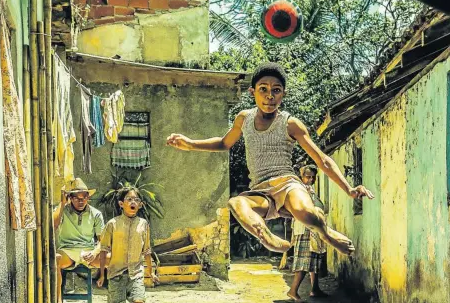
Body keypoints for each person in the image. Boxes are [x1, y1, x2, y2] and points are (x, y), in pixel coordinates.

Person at [166, 62, 374, 256]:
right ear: (252, 92)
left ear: (283, 94)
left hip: (287, 184)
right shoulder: (243, 119)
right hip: (261, 191)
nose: (269, 96)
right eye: (263, 89)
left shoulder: (290, 124)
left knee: (305, 213)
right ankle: (264, 235)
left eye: (276, 90)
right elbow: (223, 143)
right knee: (236, 202)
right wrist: (191, 144)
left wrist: (349, 189)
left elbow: (322, 160)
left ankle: (325, 232)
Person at [97, 188, 157, 303]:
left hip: (136, 274)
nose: (133, 202)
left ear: (140, 205)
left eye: (136, 200)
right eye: (129, 199)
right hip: (116, 275)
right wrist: (101, 275)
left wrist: (151, 272)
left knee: (139, 300)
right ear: (121, 204)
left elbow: (147, 251)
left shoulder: (143, 224)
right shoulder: (112, 224)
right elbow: (103, 250)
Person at [53, 178, 107, 303]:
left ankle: (117, 297)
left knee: (114, 258)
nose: (81, 201)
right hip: (67, 251)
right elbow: (54, 225)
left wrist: (94, 252)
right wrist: (62, 203)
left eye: (84, 197)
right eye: (77, 198)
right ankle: (58, 300)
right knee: (55, 259)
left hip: (89, 252)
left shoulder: (96, 214)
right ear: (70, 198)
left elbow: (102, 240)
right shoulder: (63, 210)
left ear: (88, 197)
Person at [288, 165, 328, 301]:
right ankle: (293, 291)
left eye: (313, 177)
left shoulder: (310, 190)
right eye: (308, 177)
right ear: (302, 177)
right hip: (305, 229)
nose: (311, 179)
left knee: (314, 260)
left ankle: (315, 289)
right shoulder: (299, 190)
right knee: (305, 261)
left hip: (313, 229)